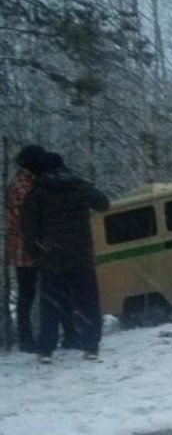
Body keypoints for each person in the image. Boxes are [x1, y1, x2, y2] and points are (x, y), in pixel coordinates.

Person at [20, 152, 110, 363]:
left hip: (53, 258)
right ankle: (90, 346)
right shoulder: (79, 185)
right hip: (81, 255)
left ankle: (46, 350)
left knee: (51, 305)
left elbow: (28, 229)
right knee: (88, 301)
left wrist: (37, 255)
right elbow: (103, 203)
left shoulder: (38, 192)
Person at [5, 145, 46, 353]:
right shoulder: (23, 187)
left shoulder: (21, 184)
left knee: (26, 295)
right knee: (30, 295)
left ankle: (27, 338)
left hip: (22, 247)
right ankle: (27, 339)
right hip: (27, 247)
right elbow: (27, 218)